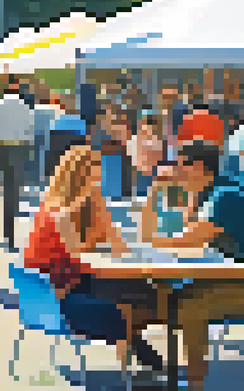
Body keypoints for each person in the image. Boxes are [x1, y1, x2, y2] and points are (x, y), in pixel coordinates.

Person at [142, 142, 244, 390]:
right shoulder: (212, 191)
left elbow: (188, 240)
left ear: (197, 167)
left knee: (190, 304)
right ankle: (167, 368)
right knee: (168, 295)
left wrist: (147, 243)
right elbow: (187, 229)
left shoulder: (225, 195)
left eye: (179, 164)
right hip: (234, 282)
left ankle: (195, 382)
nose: (173, 170)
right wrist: (162, 189)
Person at [25, 145, 165, 373]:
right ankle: (142, 356)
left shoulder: (50, 207)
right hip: (63, 302)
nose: (98, 181)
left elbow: (93, 250)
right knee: (139, 298)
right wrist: (100, 214)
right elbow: (85, 260)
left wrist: (100, 218)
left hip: (47, 296)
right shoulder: (61, 215)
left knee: (136, 290)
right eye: (94, 176)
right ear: (81, 178)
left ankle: (140, 354)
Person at [0, 79, 36, 249]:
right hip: (19, 149)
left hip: (3, 148)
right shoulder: (24, 106)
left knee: (6, 189)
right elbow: (31, 129)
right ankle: (11, 229)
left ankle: (8, 233)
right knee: (15, 190)